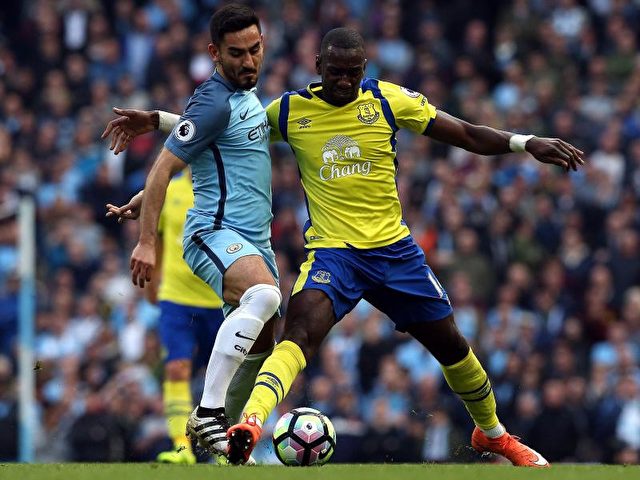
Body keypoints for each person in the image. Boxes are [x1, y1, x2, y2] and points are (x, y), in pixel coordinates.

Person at [104, 28, 583, 468]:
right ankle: (248, 423)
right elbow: (226, 136)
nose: (345, 81)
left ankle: (491, 434)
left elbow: (464, 133)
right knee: (299, 335)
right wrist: (157, 125)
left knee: (453, 345)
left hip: (395, 252)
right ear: (318, 65)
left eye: (354, 72)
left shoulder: (388, 100)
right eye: (335, 72)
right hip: (334, 254)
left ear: (365, 68)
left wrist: (525, 142)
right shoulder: (290, 110)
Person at [105, 4, 282, 457]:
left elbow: (203, 134)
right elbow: (163, 168)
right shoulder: (215, 97)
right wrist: (146, 241)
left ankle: (227, 455)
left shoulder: (236, 97)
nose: (248, 61)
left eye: (255, 49)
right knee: (263, 297)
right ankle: (207, 414)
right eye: (236, 53)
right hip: (213, 232)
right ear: (214, 53)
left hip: (252, 240)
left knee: (260, 348)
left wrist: (159, 118)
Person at [104, 169, 273, 464]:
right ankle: (182, 448)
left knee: (229, 375)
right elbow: (158, 239)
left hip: (218, 297)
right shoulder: (168, 190)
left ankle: (230, 447)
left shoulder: (221, 189)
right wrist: (151, 286)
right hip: (177, 299)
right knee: (176, 369)